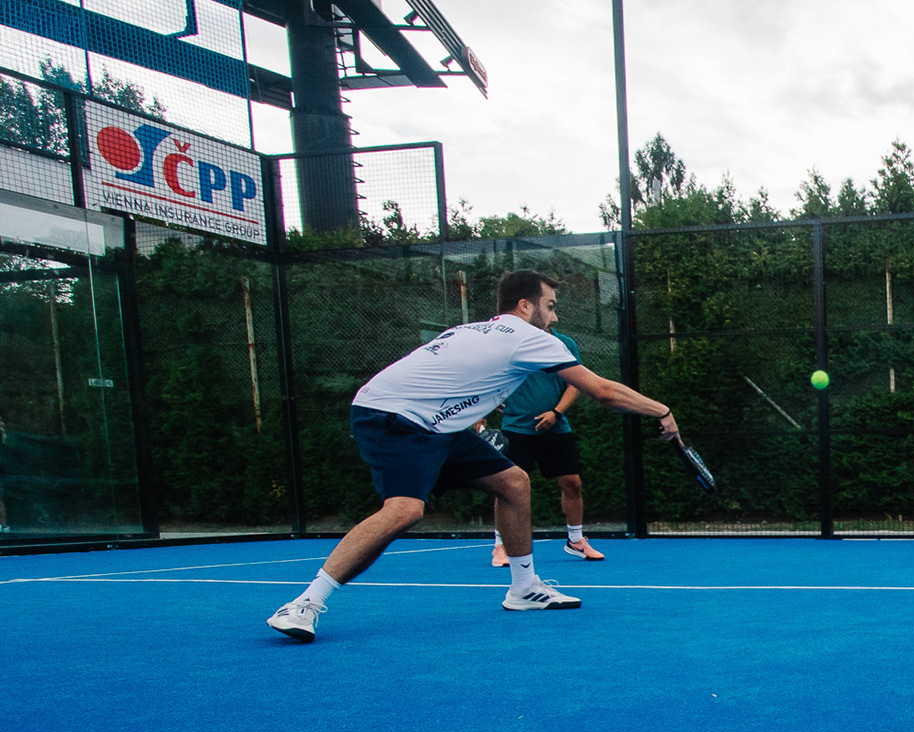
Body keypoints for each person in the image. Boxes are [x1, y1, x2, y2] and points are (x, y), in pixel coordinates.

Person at [266, 270, 676, 642]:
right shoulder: (529, 337)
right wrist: (662, 410)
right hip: (393, 416)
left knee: (513, 483)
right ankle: (304, 604)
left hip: (435, 424)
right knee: (405, 509)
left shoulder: (473, 330)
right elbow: (602, 391)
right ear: (525, 306)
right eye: (550, 307)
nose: (555, 317)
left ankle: (524, 589)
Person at [488, 325, 602, 565]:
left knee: (572, 483)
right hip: (516, 428)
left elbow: (576, 383)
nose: (553, 315)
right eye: (549, 308)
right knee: (507, 487)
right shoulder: (511, 342)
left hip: (557, 427)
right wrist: (490, 399)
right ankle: (501, 545)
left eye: (553, 308)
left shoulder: (565, 343)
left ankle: (575, 540)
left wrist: (556, 413)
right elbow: (491, 375)